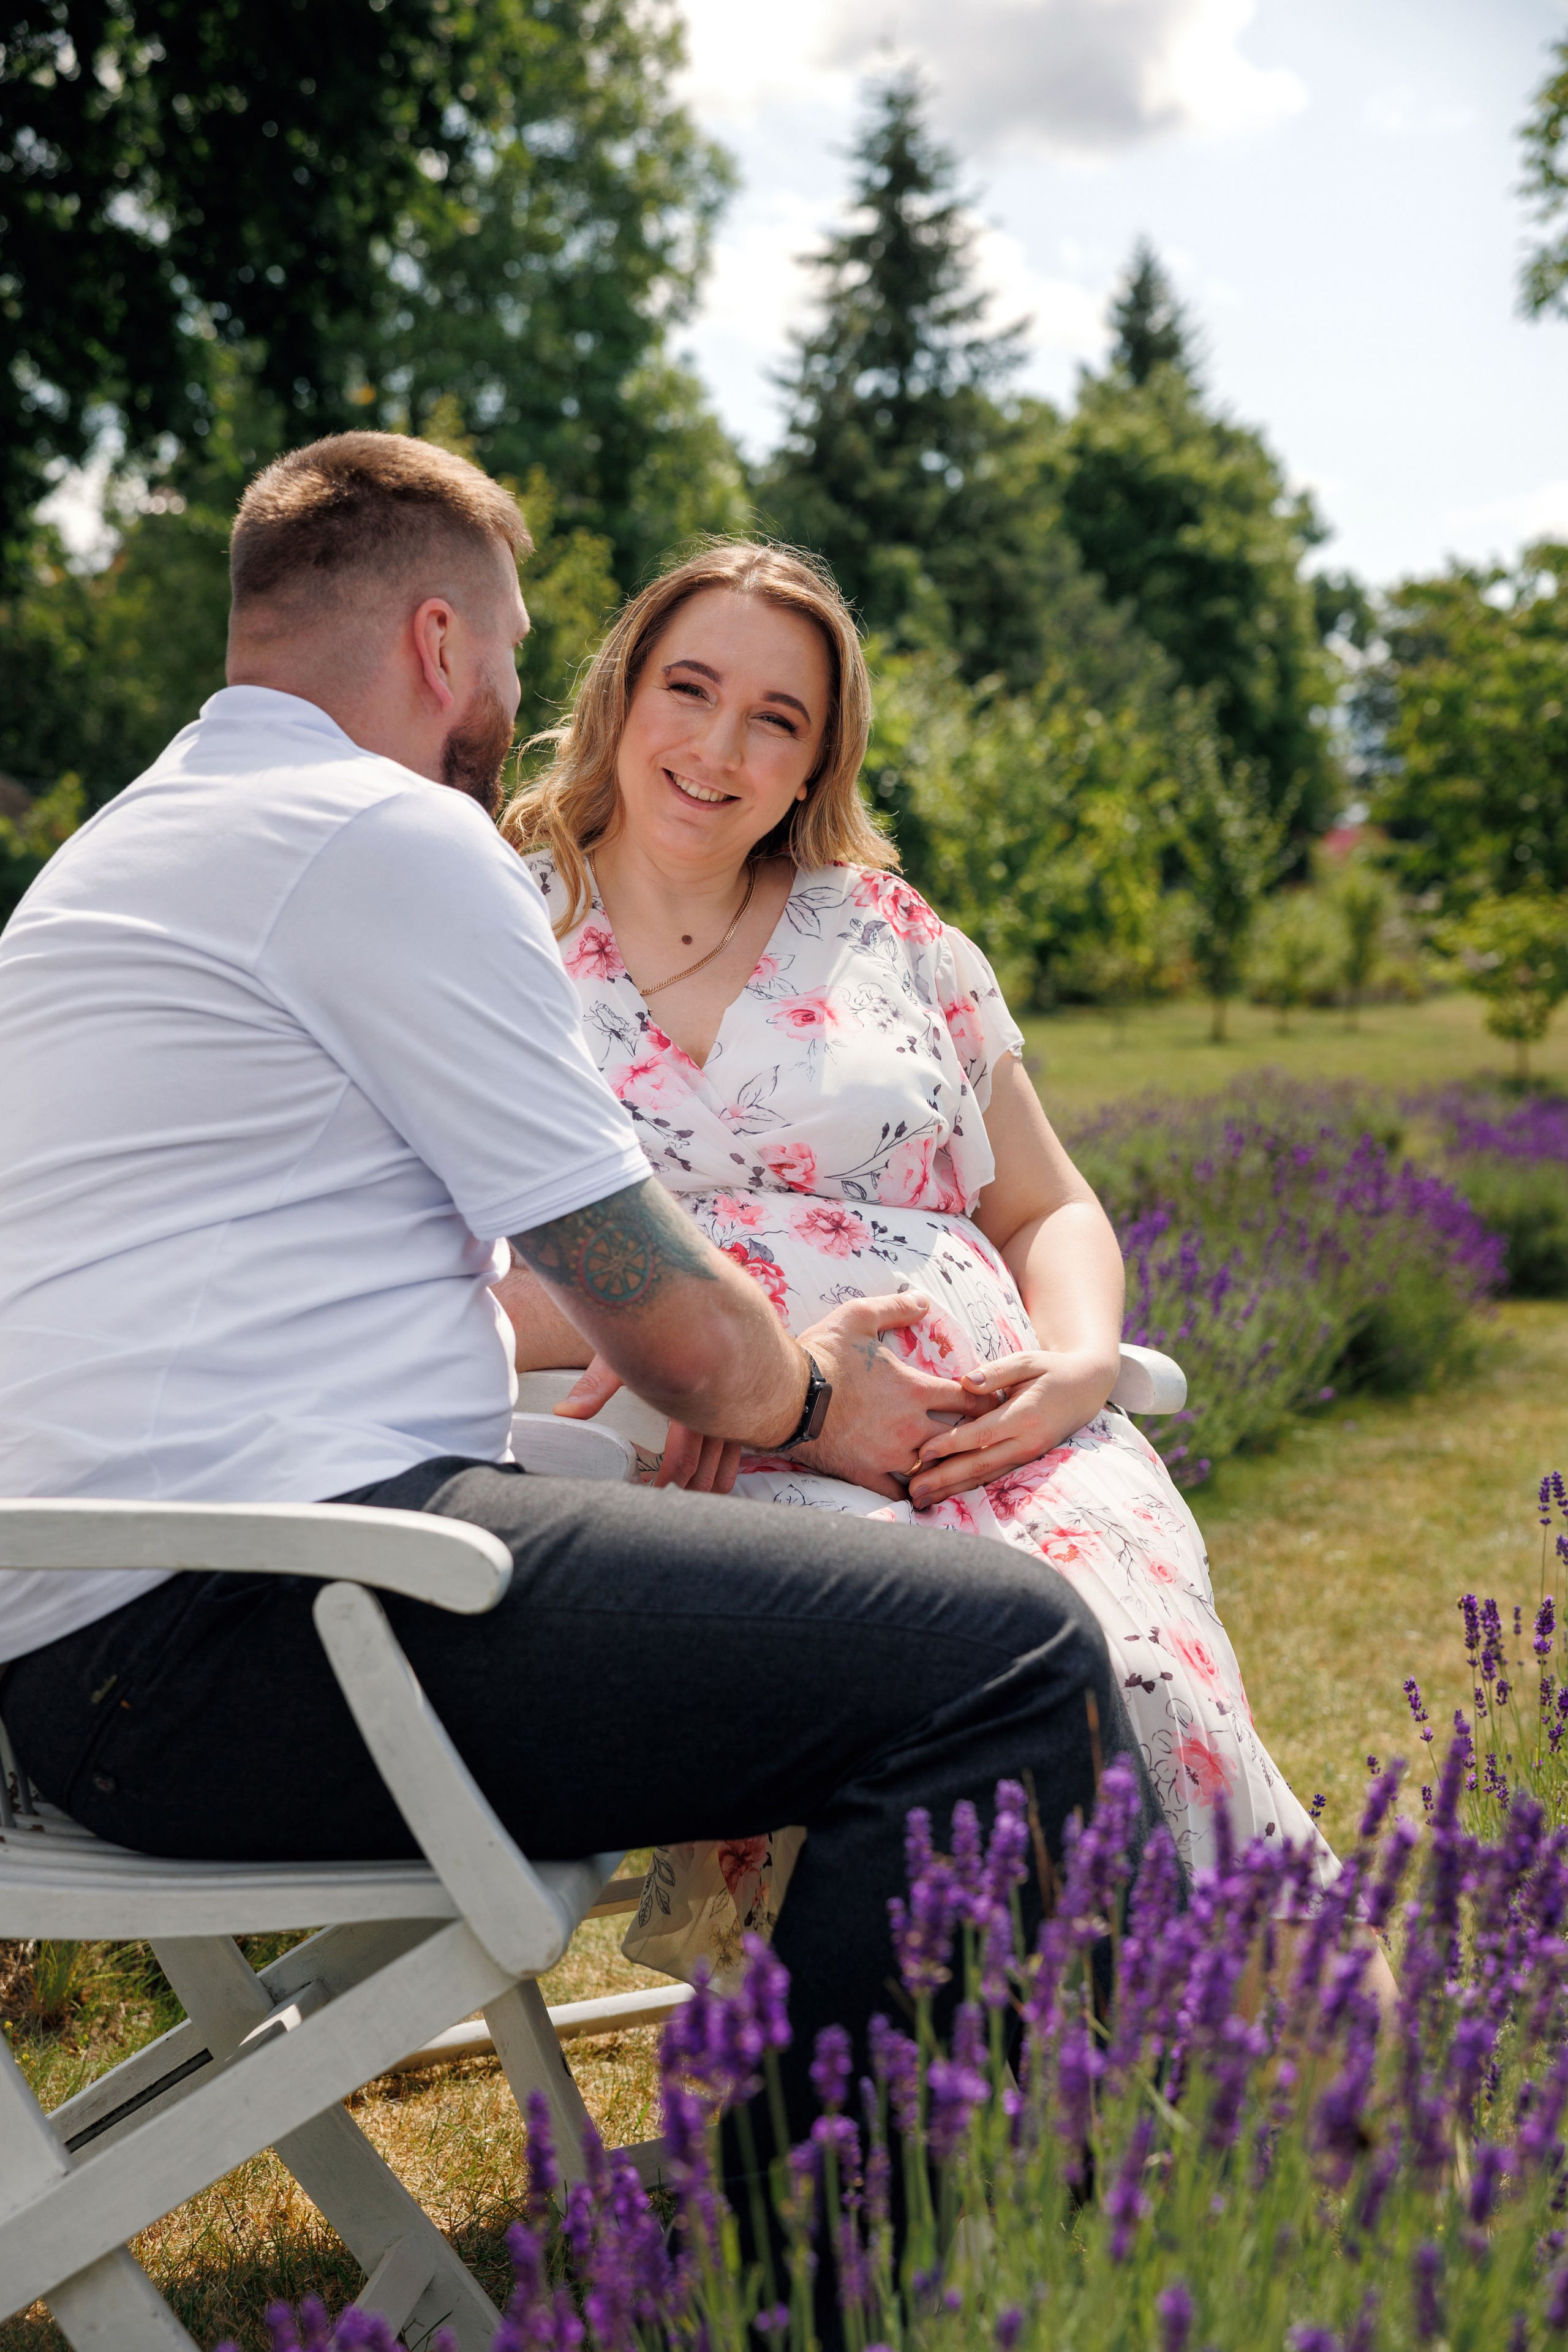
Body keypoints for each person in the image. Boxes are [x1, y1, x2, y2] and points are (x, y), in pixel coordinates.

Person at [0, 434, 1159, 2188]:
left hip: (104, 1632)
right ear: (441, 644)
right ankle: (807, 2280)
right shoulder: (386, 834)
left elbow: (446, 1274)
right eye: (524, 651)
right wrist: (809, 1403)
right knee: (999, 1659)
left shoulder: (117, 855)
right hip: (238, 1632)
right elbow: (662, 1311)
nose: (516, 696)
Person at [500, 539, 1334, 1982]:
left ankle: (1243, 2049)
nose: (717, 747)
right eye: (687, 688)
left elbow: (1043, 1206)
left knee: (1122, 1656)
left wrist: (1074, 1366)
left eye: (778, 718)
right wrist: (708, 1372)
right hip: (707, 1450)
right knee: (919, 1684)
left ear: (819, 759)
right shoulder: (494, 925)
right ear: (618, 692)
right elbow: (437, 1262)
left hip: (986, 1427)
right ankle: (930, 2093)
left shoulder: (885, 933)